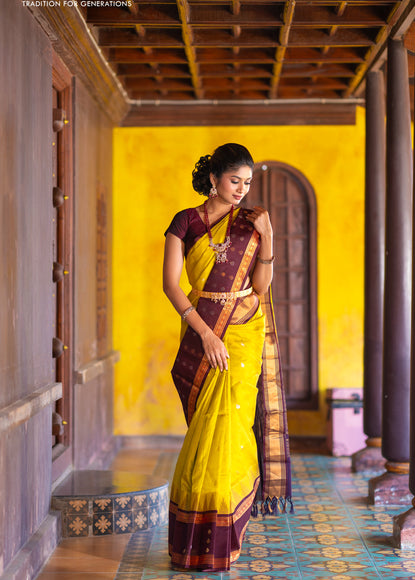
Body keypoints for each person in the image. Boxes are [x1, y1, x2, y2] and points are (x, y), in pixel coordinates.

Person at [163, 143, 292, 572]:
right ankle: (196, 537)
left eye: (248, 182)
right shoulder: (185, 221)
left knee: (232, 427)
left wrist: (269, 236)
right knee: (206, 429)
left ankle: (225, 536)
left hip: (243, 332)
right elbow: (172, 286)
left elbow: (261, 289)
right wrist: (205, 334)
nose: (242, 189)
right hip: (203, 332)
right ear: (215, 177)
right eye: (235, 180)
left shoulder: (251, 224)